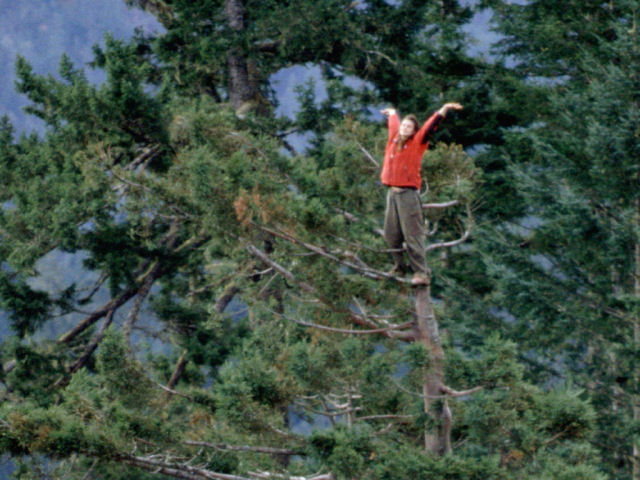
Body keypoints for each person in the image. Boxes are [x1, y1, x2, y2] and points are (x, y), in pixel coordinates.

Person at [380, 102, 463, 286]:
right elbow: (394, 123)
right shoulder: (394, 139)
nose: (404, 128)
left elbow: (430, 126)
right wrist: (393, 112)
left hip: (408, 194)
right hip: (392, 194)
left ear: (413, 131)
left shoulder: (417, 142)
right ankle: (400, 266)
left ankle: (421, 273)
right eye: (404, 125)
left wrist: (444, 109)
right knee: (391, 233)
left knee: (412, 235)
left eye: (409, 127)